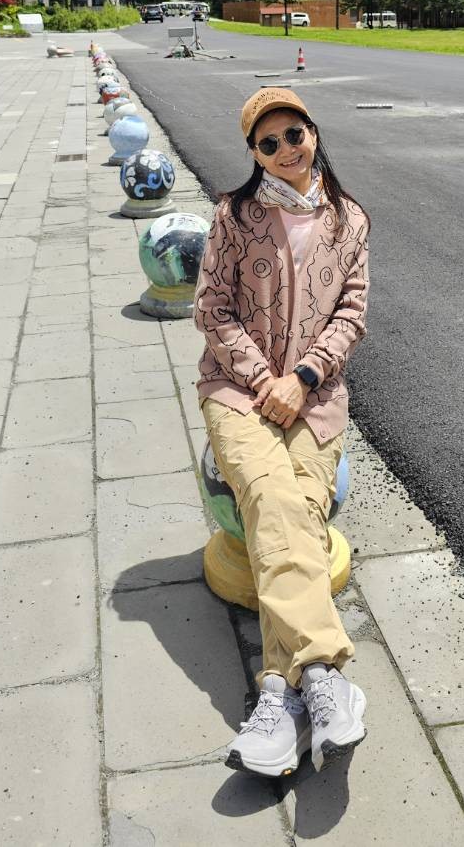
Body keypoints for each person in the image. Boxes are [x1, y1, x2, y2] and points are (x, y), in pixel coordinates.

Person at [194, 86, 370, 777]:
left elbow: (351, 314)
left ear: (312, 132)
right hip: (238, 392)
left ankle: (279, 693)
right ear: (255, 155)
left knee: (299, 502)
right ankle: (323, 671)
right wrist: (266, 380)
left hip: (315, 397)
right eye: (268, 143)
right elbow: (211, 308)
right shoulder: (234, 217)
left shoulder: (349, 220)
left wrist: (303, 376)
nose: (286, 149)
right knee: (270, 494)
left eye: (294, 133)